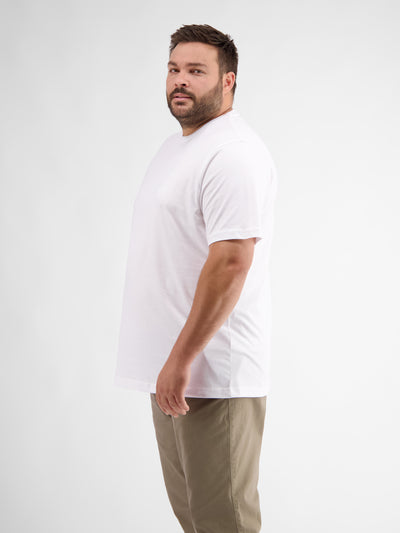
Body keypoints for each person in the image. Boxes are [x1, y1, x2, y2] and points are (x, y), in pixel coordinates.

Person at [114, 23, 278, 533]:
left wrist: (181, 360)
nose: (180, 80)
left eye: (196, 71)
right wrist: (170, 364)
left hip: (210, 374)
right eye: (173, 69)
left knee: (224, 521)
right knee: (195, 519)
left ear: (228, 81)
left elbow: (231, 261)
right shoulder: (178, 147)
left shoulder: (233, 153)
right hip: (175, 372)